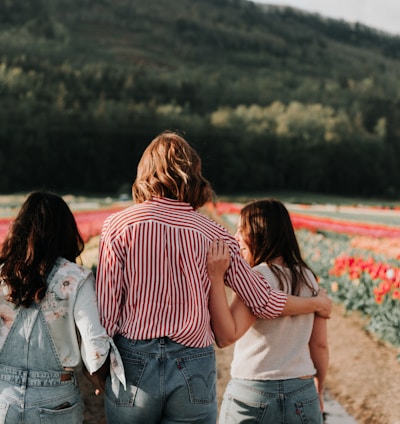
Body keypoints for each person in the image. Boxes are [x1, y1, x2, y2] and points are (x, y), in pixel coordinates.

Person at [95, 130, 331, 424]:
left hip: (133, 362)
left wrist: (99, 369)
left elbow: (106, 311)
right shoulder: (214, 234)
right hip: (192, 363)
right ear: (192, 174)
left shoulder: (118, 226)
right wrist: (315, 304)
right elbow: (264, 301)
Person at [0, 191, 125, 424]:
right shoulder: (76, 277)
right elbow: (95, 347)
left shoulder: (3, 277)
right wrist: (100, 379)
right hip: (57, 398)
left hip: (3, 398)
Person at [207, 199, 329, 423]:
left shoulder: (256, 278)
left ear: (258, 234)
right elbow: (319, 345)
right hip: (302, 390)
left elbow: (226, 335)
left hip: (253, 390)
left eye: (241, 231)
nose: (236, 238)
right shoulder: (309, 278)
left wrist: (215, 279)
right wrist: (319, 389)